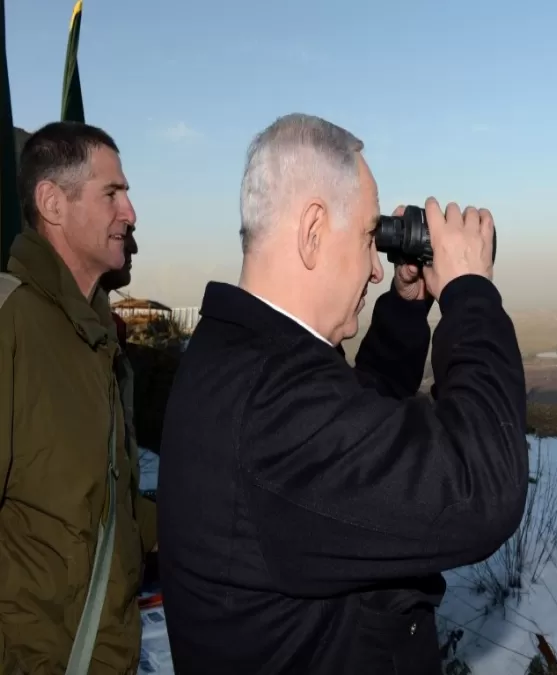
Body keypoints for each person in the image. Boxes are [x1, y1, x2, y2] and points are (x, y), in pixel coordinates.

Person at [156, 113, 529, 674]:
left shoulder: (242, 358)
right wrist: (469, 294)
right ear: (312, 231)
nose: (376, 272)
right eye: (365, 238)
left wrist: (407, 309)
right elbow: (481, 488)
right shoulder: (272, 406)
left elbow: (355, 433)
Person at [0, 121, 157, 675]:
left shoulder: (93, 338)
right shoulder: (11, 323)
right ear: (53, 203)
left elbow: (101, 505)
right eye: (112, 193)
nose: (130, 213)